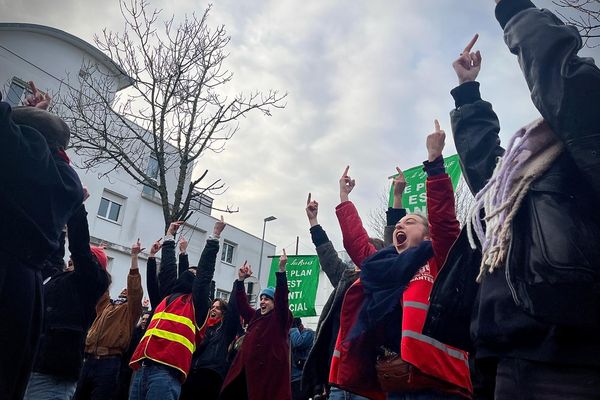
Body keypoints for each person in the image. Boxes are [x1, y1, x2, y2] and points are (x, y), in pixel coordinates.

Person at [424, 1, 600, 398]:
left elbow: (566, 86)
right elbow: (488, 168)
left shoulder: (589, 146)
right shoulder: (529, 171)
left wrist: (517, 12)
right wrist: (468, 92)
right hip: (504, 356)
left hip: (570, 361)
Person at [329, 126, 472, 400]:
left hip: (437, 383)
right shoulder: (383, 267)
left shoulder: (438, 259)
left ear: (428, 235)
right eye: (399, 224)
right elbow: (357, 244)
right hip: (395, 384)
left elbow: (444, 221)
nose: (400, 226)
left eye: (411, 221)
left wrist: (434, 162)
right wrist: (344, 199)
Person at [0, 82, 84, 399]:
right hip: (24, 291)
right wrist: (35, 118)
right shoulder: (67, 180)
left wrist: (25, 115)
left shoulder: (22, 153)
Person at [303, 183, 405, 400]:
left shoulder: (385, 284)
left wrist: (397, 198)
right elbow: (328, 256)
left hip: (373, 377)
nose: (357, 262)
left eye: (363, 256)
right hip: (340, 379)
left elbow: (394, 241)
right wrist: (314, 222)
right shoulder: (347, 278)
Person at [128, 218, 225, 400]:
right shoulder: (168, 298)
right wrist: (169, 238)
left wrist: (214, 238)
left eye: (195, 273)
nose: (191, 273)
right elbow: (168, 270)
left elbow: (204, 273)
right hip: (142, 370)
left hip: (166, 374)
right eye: (190, 271)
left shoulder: (197, 304)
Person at [24, 199, 111, 400]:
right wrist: (61, 225)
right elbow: (54, 256)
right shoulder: (59, 277)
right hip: (31, 364)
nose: (70, 260)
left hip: (54, 374)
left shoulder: (90, 281)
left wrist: (76, 205)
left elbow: (80, 249)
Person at [74, 239, 144, 399]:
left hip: (109, 363)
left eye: (128, 291)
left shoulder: (130, 311)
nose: (125, 290)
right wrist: (98, 259)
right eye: (123, 289)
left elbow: (134, 289)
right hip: (88, 360)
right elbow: (100, 284)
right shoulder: (105, 305)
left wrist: (134, 257)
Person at [220, 252, 294, 400]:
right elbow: (241, 305)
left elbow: (282, 300)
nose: (262, 302)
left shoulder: (280, 318)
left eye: (267, 299)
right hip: (246, 376)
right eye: (261, 298)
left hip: (268, 379)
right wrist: (240, 281)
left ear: (274, 303)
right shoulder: (255, 316)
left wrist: (281, 270)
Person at [180, 294, 241, 399]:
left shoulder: (225, 331)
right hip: (191, 374)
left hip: (210, 376)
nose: (213, 310)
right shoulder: (202, 328)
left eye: (217, 308)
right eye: (212, 307)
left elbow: (233, 310)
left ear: (224, 313)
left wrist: (239, 282)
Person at [290, 318, 315, 400]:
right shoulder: (291, 336)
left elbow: (298, 343)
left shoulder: (309, 333)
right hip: (290, 378)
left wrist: (293, 328)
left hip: (300, 377)